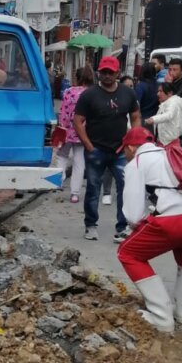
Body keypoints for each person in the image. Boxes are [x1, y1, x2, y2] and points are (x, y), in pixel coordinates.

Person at [117, 128, 182, 332]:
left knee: (128, 253)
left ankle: (161, 316)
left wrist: (139, 225)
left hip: (177, 222)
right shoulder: (169, 153)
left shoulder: (137, 161)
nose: (125, 155)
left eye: (124, 151)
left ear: (130, 147)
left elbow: (132, 214)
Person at [72, 54, 140, 242]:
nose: (107, 75)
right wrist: (88, 145)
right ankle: (91, 225)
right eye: (104, 72)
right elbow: (78, 121)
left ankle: (122, 227)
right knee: (93, 188)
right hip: (96, 150)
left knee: (124, 187)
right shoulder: (89, 94)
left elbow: (135, 116)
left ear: (118, 72)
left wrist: (133, 141)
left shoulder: (128, 93)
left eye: (111, 72)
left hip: (120, 150)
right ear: (98, 73)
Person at [56, 64, 94, 203]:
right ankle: (75, 193)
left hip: (67, 130)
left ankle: (58, 180)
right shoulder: (92, 93)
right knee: (79, 161)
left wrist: (63, 126)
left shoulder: (68, 91)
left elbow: (64, 112)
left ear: (77, 78)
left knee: (62, 156)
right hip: (83, 132)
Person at [144, 78, 182, 146]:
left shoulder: (173, 103)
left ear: (170, 93)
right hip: (164, 143)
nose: (158, 94)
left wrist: (153, 119)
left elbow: (168, 115)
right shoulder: (165, 103)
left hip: (170, 144)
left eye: (161, 91)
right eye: (158, 91)